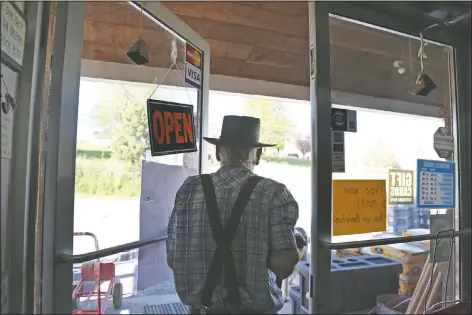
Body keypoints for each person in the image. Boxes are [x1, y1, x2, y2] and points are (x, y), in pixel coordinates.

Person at [167, 115, 300, 314]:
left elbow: (173, 259)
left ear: (218, 152)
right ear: (258, 154)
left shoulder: (189, 189)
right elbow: (284, 266)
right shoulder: (274, 194)